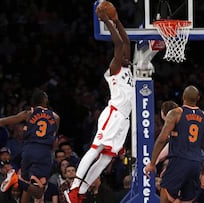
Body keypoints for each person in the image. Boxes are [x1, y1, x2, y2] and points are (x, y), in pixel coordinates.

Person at [65, 5, 134, 203]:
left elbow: (126, 42)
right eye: (122, 55)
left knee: (106, 158)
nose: (125, 55)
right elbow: (120, 45)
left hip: (124, 119)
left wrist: (117, 20)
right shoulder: (114, 69)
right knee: (95, 149)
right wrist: (106, 21)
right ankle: (74, 187)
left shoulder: (127, 67)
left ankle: (82, 190)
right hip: (113, 114)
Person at [0, 89, 60, 203]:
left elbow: (9, 120)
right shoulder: (56, 117)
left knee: (27, 185)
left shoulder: (28, 113)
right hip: (43, 152)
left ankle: (18, 179)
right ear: (45, 101)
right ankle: (17, 179)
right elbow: (53, 139)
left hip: (28, 150)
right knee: (38, 192)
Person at [145, 85, 204, 203]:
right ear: (198, 98)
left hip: (179, 160)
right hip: (196, 163)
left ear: (183, 97)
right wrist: (203, 173)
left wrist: (152, 163)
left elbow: (162, 139)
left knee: (165, 192)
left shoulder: (176, 113)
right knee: (187, 199)